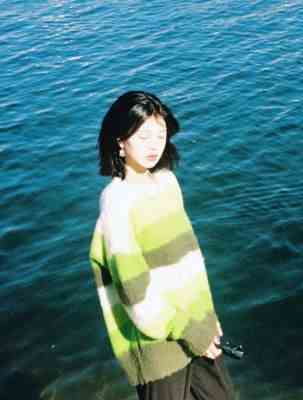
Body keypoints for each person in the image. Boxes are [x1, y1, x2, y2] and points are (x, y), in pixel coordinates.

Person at [89, 91, 237, 399]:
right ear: (120, 141)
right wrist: (189, 330)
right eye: (143, 136)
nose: (154, 145)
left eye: (160, 134)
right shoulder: (117, 202)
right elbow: (134, 291)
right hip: (158, 348)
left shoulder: (167, 182)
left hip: (198, 328)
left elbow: (189, 261)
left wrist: (207, 318)